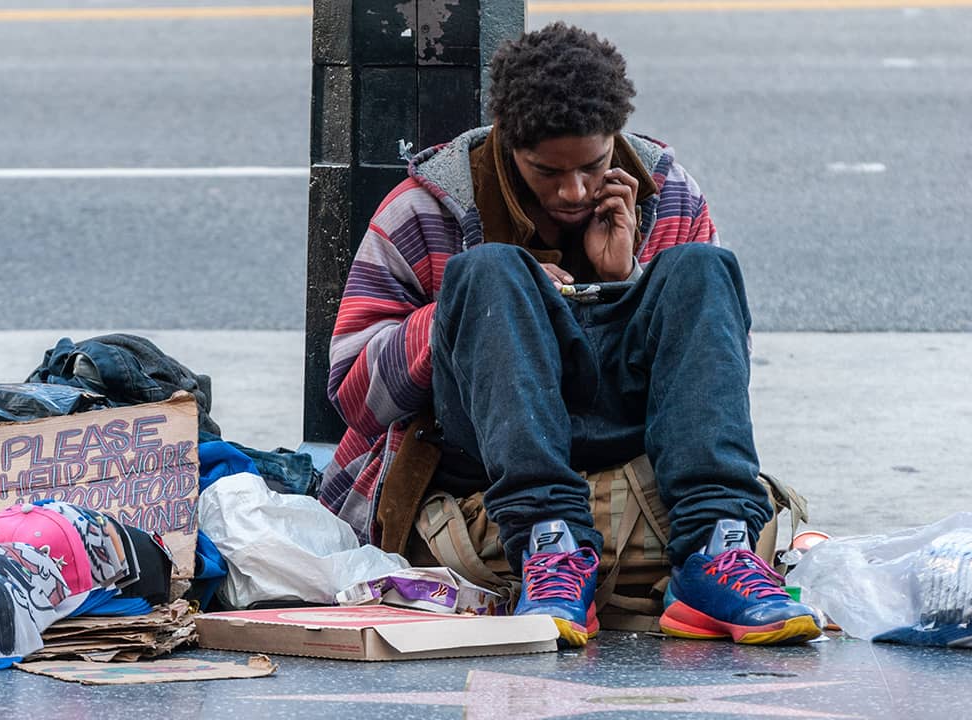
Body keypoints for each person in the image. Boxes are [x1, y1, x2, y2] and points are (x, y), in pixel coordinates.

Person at [318, 22, 819, 648]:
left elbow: (717, 375)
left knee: (703, 268)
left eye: (593, 166)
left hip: (640, 433)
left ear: (615, 140)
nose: (575, 192)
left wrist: (627, 281)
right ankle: (550, 548)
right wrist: (464, 311)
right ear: (508, 145)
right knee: (488, 272)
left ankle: (715, 550)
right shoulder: (424, 210)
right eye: (546, 173)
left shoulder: (670, 194)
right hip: (486, 448)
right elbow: (353, 398)